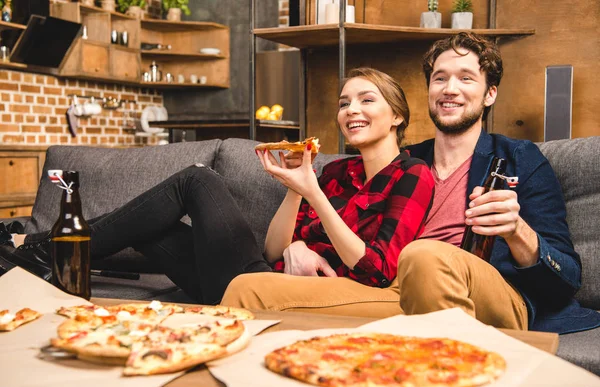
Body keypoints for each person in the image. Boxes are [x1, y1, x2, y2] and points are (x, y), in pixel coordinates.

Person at [222, 33, 600, 334]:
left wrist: (518, 231)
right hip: (396, 291)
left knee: (423, 254)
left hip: (492, 293)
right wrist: (300, 241)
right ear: (429, 92)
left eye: (466, 78)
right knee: (247, 287)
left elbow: (566, 276)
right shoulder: (402, 163)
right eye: (440, 78)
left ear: (489, 94)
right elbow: (347, 235)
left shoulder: (520, 159)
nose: (450, 88)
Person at [0, 67, 435, 310]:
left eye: (366, 100)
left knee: (197, 178)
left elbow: (378, 271)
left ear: (397, 116)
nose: (351, 110)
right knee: (150, 229)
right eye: (344, 103)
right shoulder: (336, 171)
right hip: (255, 277)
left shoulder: (412, 175)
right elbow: (272, 251)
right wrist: (294, 189)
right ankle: (46, 260)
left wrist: (314, 195)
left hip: (274, 290)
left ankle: (36, 248)